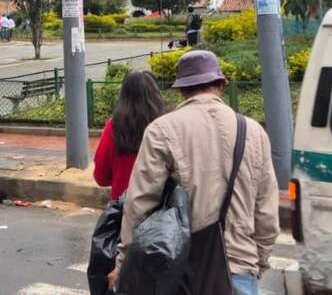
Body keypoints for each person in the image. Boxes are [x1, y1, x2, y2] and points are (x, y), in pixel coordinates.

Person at [111, 50, 279, 295]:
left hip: (184, 274)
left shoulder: (161, 130)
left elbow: (139, 206)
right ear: (221, 84)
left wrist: (123, 263)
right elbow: (266, 212)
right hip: (241, 269)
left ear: (181, 88)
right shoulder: (254, 132)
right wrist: (257, 261)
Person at [93, 71, 165, 200]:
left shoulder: (114, 127)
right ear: (156, 95)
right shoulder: (166, 125)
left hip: (125, 207)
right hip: (162, 209)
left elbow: (101, 177)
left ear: (123, 96)